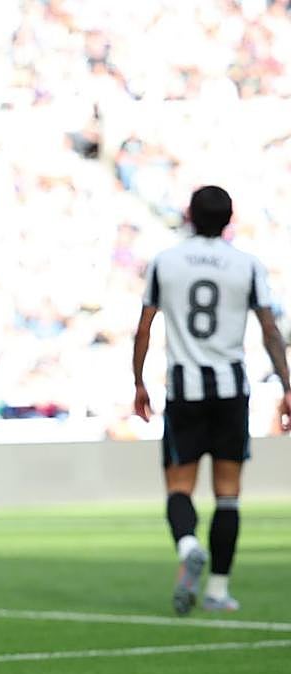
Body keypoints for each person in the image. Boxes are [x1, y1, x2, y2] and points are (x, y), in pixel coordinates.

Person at [133, 185, 291, 615]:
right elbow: (270, 331)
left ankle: (187, 546)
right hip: (230, 390)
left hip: (184, 389)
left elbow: (144, 327)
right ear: (229, 218)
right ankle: (219, 590)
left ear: (188, 214)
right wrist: (287, 386)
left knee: (179, 486)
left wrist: (139, 382)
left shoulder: (166, 262)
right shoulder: (248, 265)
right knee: (228, 493)